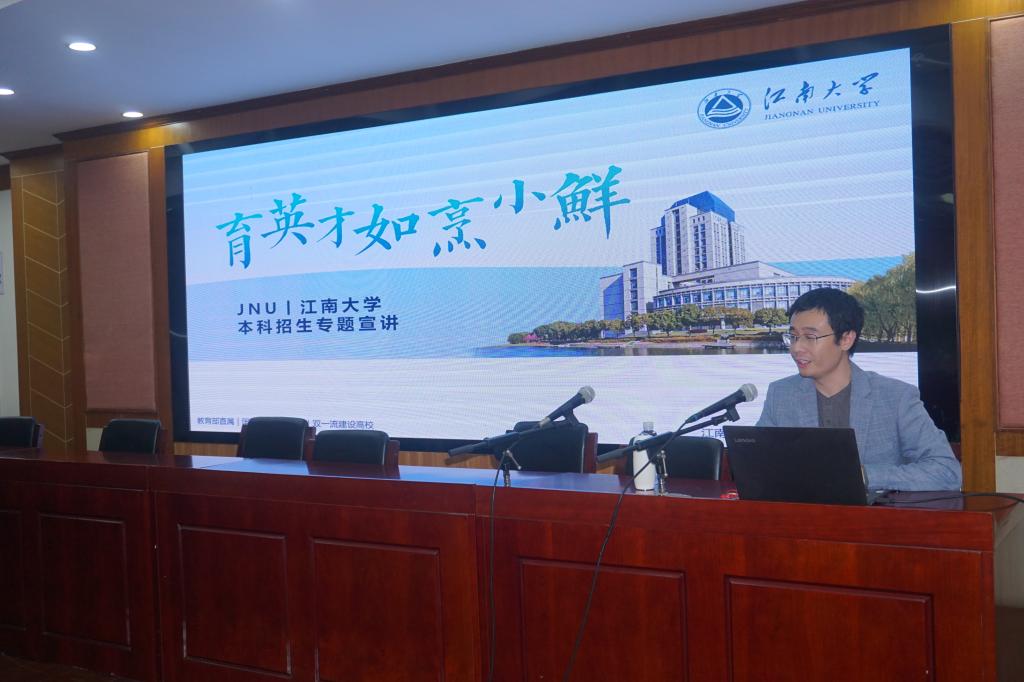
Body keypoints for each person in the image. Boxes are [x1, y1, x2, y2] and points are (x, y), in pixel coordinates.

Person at [757, 287, 961, 491]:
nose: (796, 348)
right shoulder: (781, 394)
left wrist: (862, 475)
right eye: (793, 336)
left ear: (846, 339)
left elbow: (947, 472)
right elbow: (758, 463)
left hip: (873, 511)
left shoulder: (896, 397)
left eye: (810, 337)